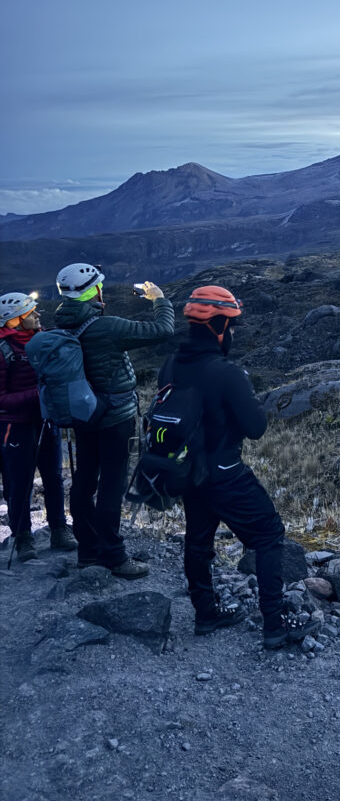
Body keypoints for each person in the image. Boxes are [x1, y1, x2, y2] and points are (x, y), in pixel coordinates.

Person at [164, 285, 317, 646]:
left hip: (188, 472)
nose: (232, 332)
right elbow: (256, 428)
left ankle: (205, 614)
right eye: (230, 325)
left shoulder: (171, 364)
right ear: (218, 326)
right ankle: (276, 624)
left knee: (197, 541)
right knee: (268, 535)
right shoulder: (227, 373)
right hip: (224, 473)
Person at [54, 263, 174, 577]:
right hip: (114, 418)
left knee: (84, 480)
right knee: (111, 484)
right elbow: (162, 329)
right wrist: (159, 299)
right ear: (94, 290)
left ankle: (87, 551)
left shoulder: (61, 323)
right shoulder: (105, 327)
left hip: (84, 415)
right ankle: (115, 556)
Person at [0, 291, 77, 561]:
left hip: (46, 420)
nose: (38, 315)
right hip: (15, 425)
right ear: (15, 319)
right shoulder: (3, 349)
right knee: (19, 483)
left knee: (53, 477)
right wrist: (38, 394)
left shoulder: (43, 340)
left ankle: (59, 529)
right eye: (31, 313)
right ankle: (22, 537)